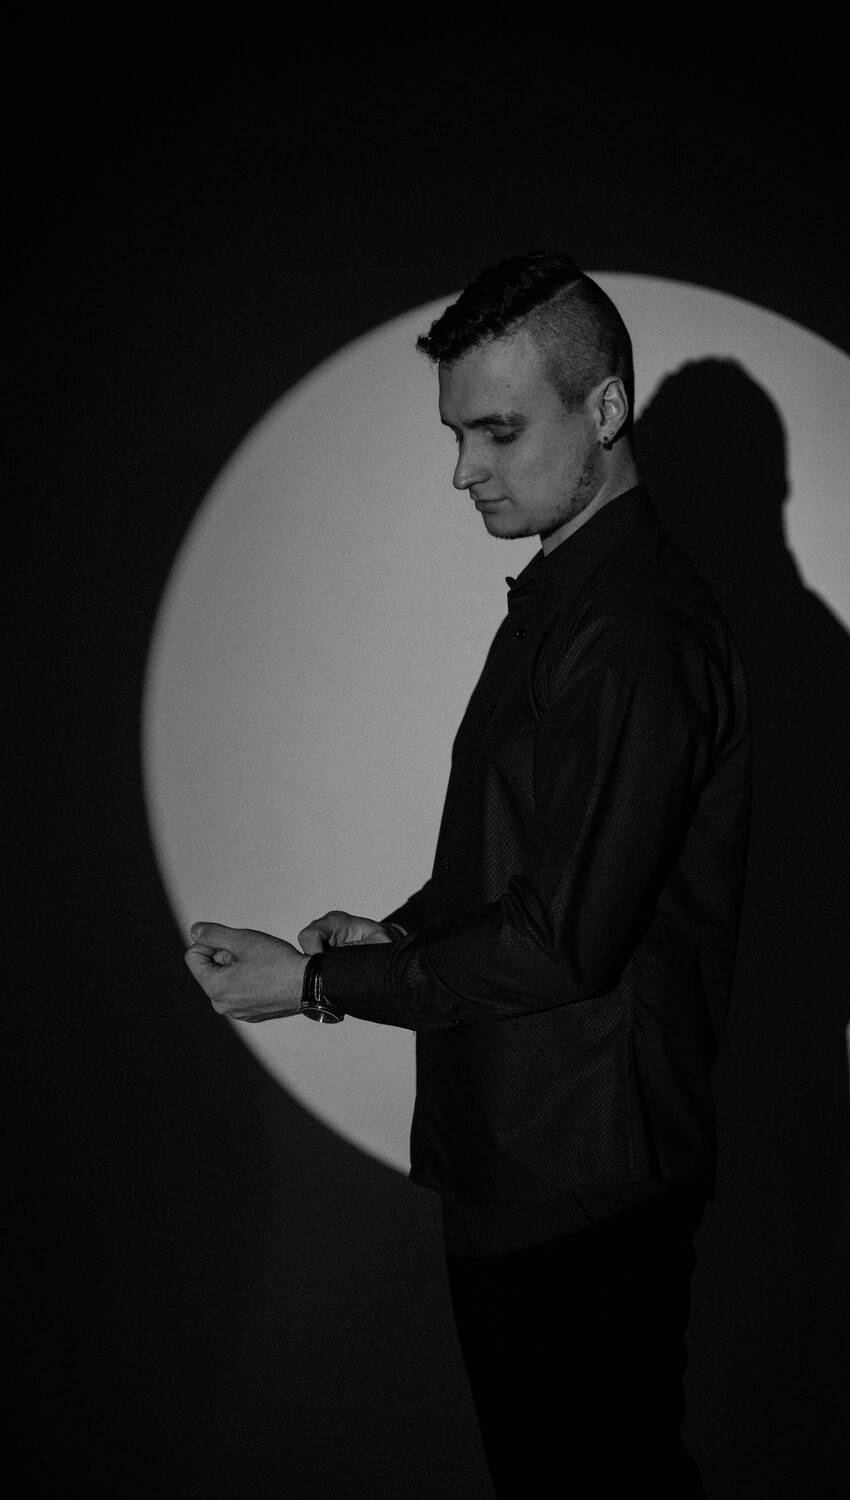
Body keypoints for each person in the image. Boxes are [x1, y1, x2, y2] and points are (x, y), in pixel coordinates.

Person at [184, 252, 752, 1496]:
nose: (464, 471)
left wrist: (317, 987)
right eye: (455, 434)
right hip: (534, 1155)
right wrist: (387, 937)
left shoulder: (632, 630)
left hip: (584, 1177)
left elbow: (562, 940)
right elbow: (527, 860)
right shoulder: (569, 595)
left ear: (606, 409)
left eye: (498, 431)